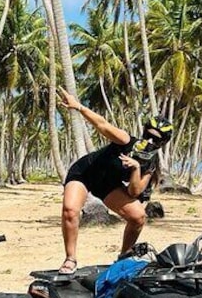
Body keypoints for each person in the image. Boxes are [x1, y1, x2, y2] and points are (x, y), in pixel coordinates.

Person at [58, 88, 172, 274]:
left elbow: (134, 192)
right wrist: (78, 106)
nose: (149, 139)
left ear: (162, 142)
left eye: (155, 138)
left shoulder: (150, 165)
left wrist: (136, 167)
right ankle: (70, 258)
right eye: (147, 134)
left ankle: (123, 257)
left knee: (138, 217)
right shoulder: (126, 141)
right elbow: (102, 125)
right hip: (85, 173)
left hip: (107, 184)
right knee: (70, 211)